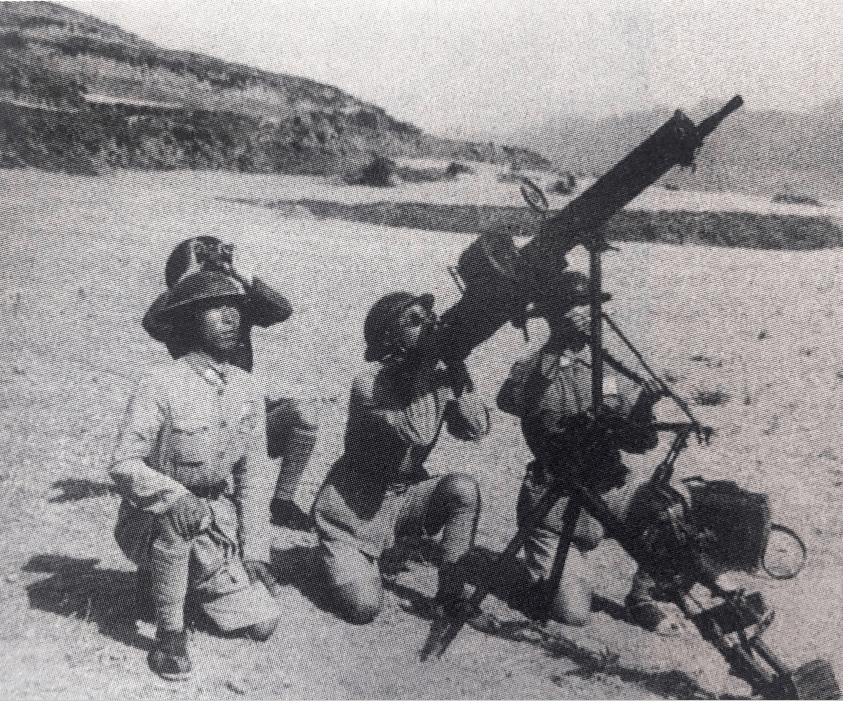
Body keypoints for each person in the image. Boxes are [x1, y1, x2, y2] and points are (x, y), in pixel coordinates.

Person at [111, 270, 283, 681]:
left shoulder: (247, 388)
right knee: (180, 513)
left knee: (264, 623)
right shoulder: (160, 382)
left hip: (214, 524)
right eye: (215, 308)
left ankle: (173, 585)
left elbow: (253, 476)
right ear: (189, 321)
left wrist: (255, 550)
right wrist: (175, 495)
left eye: (235, 308)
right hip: (154, 519)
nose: (231, 318)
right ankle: (169, 635)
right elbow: (123, 463)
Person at [497, 292, 684, 635]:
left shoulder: (607, 369)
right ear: (555, 318)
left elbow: (640, 443)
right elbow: (513, 402)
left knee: (673, 506)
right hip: (555, 503)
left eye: (591, 310)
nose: (588, 319)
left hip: (609, 491)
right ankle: (540, 578)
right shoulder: (533, 367)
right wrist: (556, 345)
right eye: (577, 311)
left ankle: (641, 597)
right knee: (573, 614)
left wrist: (644, 405)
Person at [311, 291, 491, 626]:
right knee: (364, 607)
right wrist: (430, 372)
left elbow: (476, 429)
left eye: (429, 317)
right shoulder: (369, 384)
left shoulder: (436, 377)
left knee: (463, 489)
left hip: (402, 497)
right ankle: (330, 560)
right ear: (390, 338)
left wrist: (456, 371)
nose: (429, 325)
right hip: (351, 514)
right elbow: (417, 432)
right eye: (415, 320)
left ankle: (450, 598)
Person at [142, 236, 318, 531]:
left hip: (240, 415)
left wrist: (243, 274)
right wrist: (183, 283)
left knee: (304, 414)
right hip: (199, 423)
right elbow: (153, 323)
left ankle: (282, 502)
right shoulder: (183, 319)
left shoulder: (234, 311)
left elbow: (282, 310)